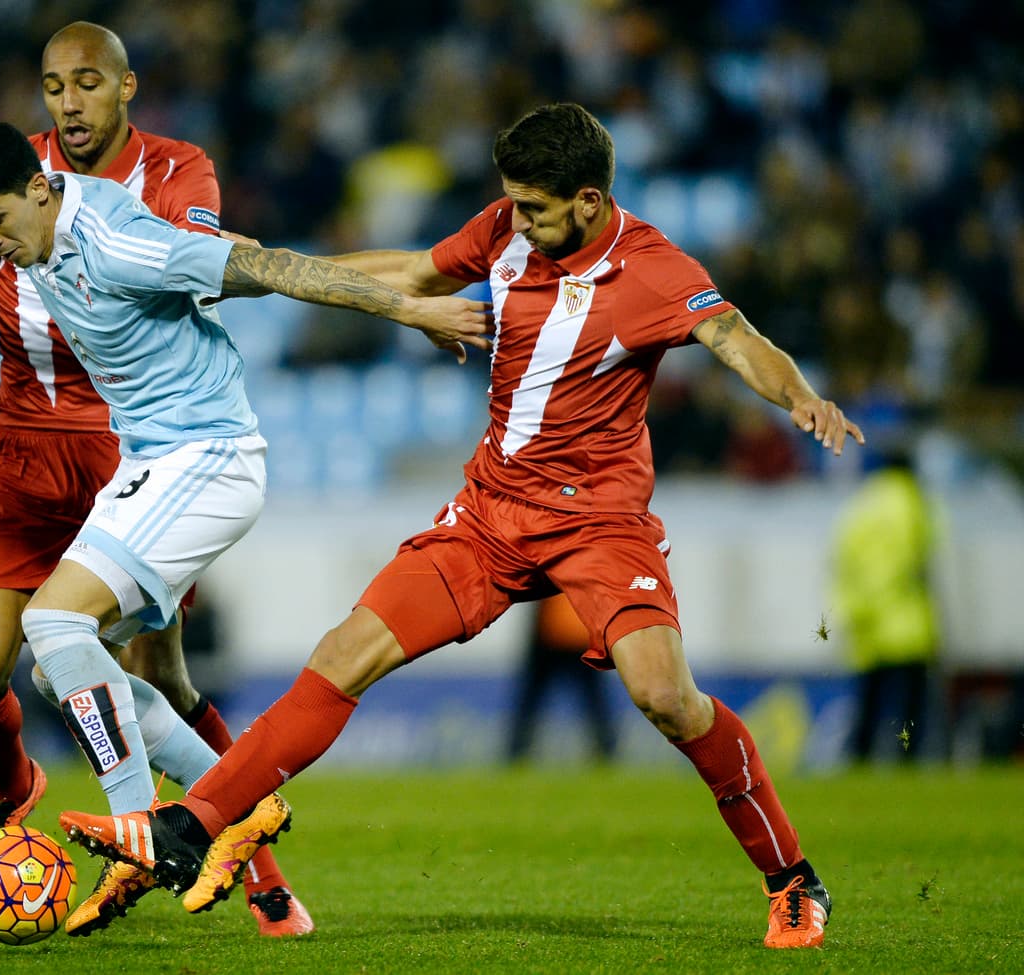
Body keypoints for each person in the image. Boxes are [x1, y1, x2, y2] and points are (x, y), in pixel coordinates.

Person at [59, 103, 865, 950]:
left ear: (588, 201)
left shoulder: (655, 269)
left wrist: (800, 397)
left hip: (599, 525)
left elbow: (736, 338)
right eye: (510, 202)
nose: (513, 221)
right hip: (487, 516)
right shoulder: (504, 230)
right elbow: (414, 273)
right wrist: (276, 270)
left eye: (534, 207)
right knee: (343, 653)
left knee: (665, 696)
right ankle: (188, 828)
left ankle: (791, 877)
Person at [0, 115, 489, 921]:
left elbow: (270, 266)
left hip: (211, 459)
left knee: (53, 625)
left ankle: (140, 830)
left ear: (40, 190)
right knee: (58, 669)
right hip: (152, 463)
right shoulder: (25, 219)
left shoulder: (125, 242)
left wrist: (410, 310)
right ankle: (237, 809)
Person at [0, 22, 320, 938]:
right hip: (23, 447)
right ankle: (16, 781)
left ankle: (259, 870)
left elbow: (187, 277)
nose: (70, 103)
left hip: (128, 451)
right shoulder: (10, 174)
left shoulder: (179, 175)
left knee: (162, 680)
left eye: (87, 84)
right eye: (55, 86)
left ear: (126, 88)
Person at [830, 446, 940, 762]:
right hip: (906, 621)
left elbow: (842, 559)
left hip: (866, 620)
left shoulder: (860, 505)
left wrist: (854, 606)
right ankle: (908, 761)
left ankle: (857, 759)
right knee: (909, 705)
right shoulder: (913, 502)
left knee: (869, 699)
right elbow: (920, 560)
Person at [506, 593, 617, 763]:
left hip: (569, 639)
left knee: (593, 703)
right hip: (559, 638)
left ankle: (516, 754)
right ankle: (607, 752)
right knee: (593, 703)